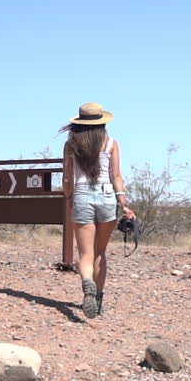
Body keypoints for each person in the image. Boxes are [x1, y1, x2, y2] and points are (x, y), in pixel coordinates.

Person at [61, 102, 135, 319]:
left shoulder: (70, 144)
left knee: (85, 253)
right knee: (99, 252)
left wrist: (69, 196)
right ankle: (98, 297)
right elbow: (116, 177)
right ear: (102, 122)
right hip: (107, 197)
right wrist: (123, 202)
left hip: (82, 195)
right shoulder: (111, 143)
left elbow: (68, 177)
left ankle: (87, 283)